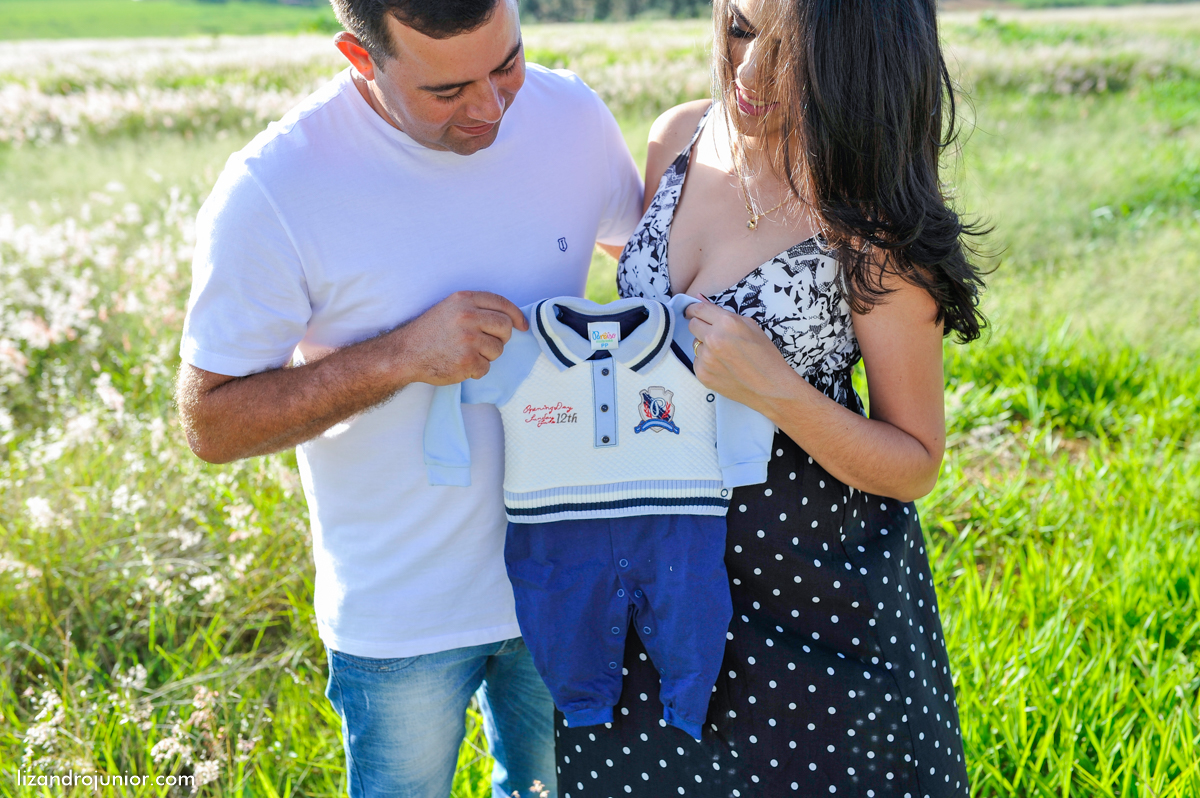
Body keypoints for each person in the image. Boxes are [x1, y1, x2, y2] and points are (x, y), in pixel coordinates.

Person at [173, 0, 644, 795]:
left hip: (566, 578)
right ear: (361, 59)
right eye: (447, 90)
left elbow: (644, 265)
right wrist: (399, 356)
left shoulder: (572, 115)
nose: (490, 107)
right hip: (401, 613)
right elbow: (210, 423)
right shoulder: (275, 187)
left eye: (507, 64)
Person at [555, 0, 985, 795]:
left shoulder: (871, 215)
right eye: (741, 28)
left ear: (858, 58)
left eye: (794, 50)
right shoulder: (678, 136)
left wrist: (779, 393)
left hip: (805, 593)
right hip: (647, 571)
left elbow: (916, 463)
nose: (748, 72)